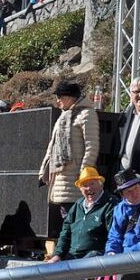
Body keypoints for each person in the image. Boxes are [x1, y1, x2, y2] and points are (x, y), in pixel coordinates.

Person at [42, 166, 119, 280]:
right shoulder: (77, 206)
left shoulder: (110, 204)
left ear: (100, 184)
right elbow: (65, 233)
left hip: (96, 253)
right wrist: (57, 255)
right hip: (73, 253)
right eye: (84, 185)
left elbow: (113, 235)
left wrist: (109, 253)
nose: (88, 188)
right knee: (50, 271)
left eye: (92, 184)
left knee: (77, 271)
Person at [39, 81, 100, 239]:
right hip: (60, 178)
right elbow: (52, 147)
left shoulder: (87, 114)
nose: (57, 101)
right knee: (65, 220)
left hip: (75, 178)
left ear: (69, 97)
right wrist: (44, 171)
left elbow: (92, 145)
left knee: (74, 220)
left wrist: (84, 175)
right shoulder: (63, 116)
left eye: (59, 97)